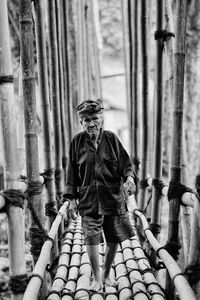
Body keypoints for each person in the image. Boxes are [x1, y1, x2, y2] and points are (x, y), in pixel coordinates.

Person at [64, 98, 137, 292]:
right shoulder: (77, 142)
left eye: (94, 118)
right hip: (89, 198)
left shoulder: (112, 139)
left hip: (113, 197)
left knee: (114, 237)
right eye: (86, 120)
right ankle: (97, 278)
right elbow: (71, 172)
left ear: (101, 119)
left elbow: (126, 166)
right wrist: (71, 198)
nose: (91, 123)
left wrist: (129, 179)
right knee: (91, 237)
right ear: (81, 122)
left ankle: (106, 274)